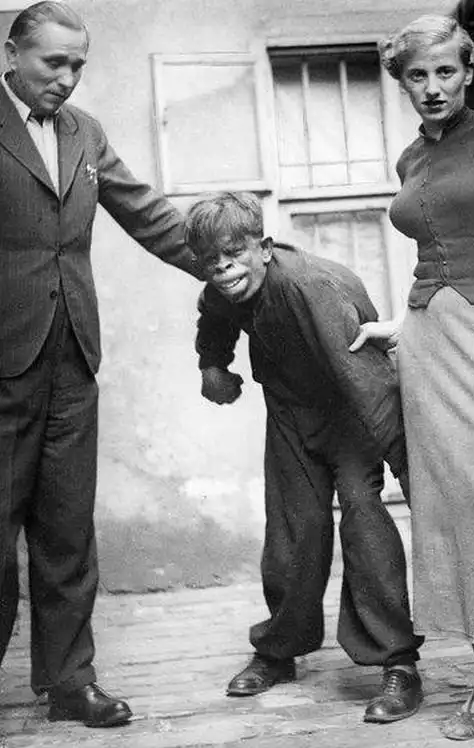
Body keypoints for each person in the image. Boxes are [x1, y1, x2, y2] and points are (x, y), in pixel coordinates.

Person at [0, 1, 204, 728]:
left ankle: (69, 680)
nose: (66, 77)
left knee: (66, 531)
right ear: (11, 54)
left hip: (71, 359)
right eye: (53, 62)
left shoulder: (84, 132)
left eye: (77, 65)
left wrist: (235, 258)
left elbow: (148, 214)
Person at [351, 13, 474, 748]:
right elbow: (432, 248)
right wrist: (401, 325)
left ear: (467, 71)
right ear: (401, 82)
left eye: (445, 71)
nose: (432, 87)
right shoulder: (410, 157)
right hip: (426, 338)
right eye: (417, 75)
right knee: (444, 506)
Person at [187, 190, 424, 723]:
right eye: (210, 260)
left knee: (363, 519)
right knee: (294, 527)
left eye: (234, 253)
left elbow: (369, 381)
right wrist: (213, 366)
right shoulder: (228, 284)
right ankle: (279, 650)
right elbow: (214, 316)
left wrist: (407, 467)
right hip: (291, 412)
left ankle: (399, 662)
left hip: (352, 408)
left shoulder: (310, 288)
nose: (223, 268)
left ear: (265, 248)